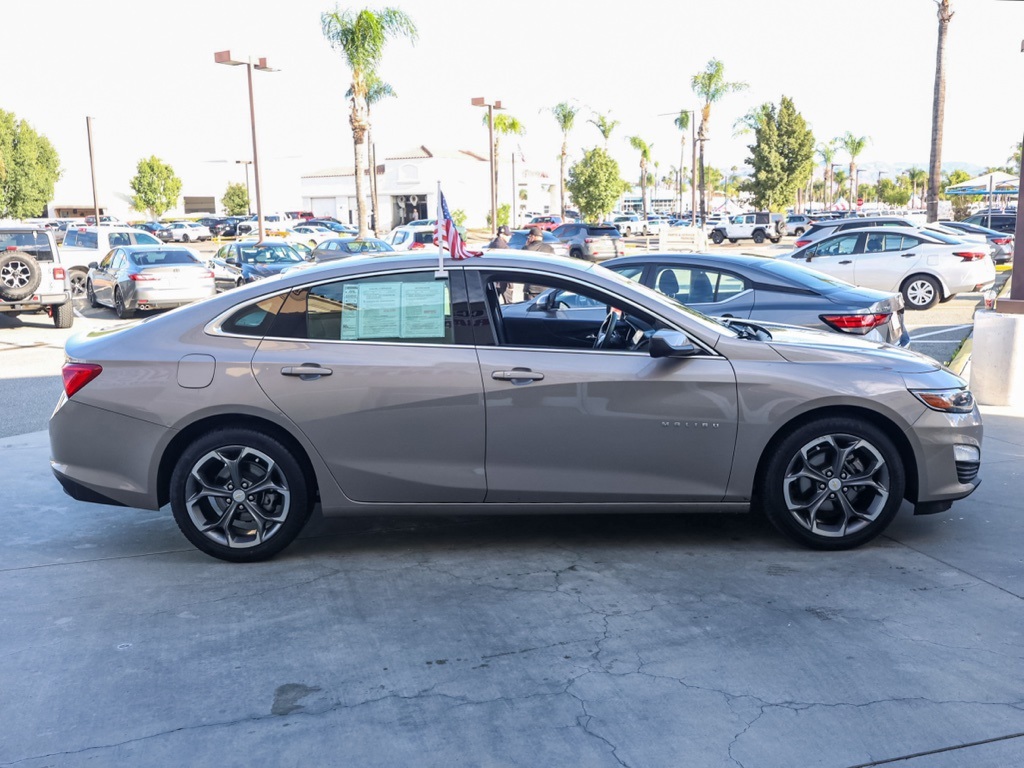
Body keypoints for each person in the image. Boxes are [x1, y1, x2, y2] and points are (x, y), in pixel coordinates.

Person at [520, 227, 554, 300]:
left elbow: (521, 265)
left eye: (529, 236)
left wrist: (526, 245)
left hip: (530, 289)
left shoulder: (526, 249)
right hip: (545, 288)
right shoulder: (549, 249)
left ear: (532, 237)